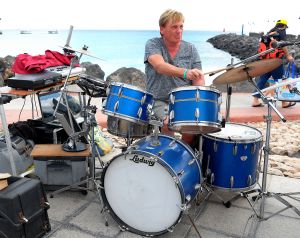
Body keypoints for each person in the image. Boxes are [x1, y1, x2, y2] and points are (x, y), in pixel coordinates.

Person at [144, 9, 205, 143]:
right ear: (162, 29)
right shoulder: (153, 44)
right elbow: (160, 66)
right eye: (174, 27)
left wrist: (197, 99)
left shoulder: (191, 49)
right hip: (159, 99)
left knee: (191, 128)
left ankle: (185, 157)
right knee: (167, 123)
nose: (179, 31)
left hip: (184, 100)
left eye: (181, 26)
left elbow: (199, 78)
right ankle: (167, 156)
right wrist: (185, 72)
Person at [252, 19, 295, 108]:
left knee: (262, 79)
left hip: (265, 61)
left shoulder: (270, 32)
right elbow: (283, 45)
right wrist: (288, 56)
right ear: (284, 26)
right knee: (280, 81)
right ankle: (284, 102)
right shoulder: (281, 32)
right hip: (275, 61)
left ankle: (255, 100)